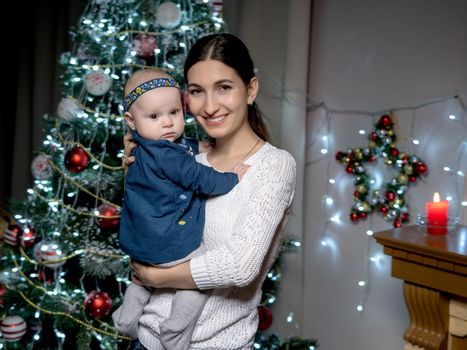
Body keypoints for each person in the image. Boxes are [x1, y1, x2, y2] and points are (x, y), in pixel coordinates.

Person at [122, 33, 297, 350]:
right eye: (197, 92)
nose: (210, 106)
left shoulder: (274, 166)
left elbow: (240, 267)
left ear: (251, 90)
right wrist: (135, 161)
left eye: (224, 88)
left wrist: (154, 277)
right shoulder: (185, 156)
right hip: (145, 340)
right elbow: (148, 226)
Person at [112, 68, 249, 350]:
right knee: (199, 276)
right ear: (131, 120)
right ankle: (175, 333)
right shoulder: (170, 157)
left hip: (140, 242)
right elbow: (201, 179)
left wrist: (199, 144)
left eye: (174, 112)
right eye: (155, 116)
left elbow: (179, 145)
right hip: (170, 240)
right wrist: (232, 176)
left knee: (142, 281)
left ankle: (125, 320)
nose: (167, 124)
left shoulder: (139, 146)